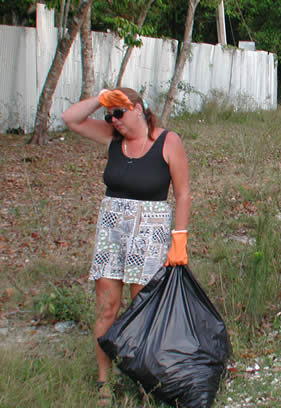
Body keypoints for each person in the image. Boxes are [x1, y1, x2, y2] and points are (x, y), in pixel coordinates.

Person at [61, 88, 191, 405]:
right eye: (109, 115)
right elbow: (70, 119)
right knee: (106, 307)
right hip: (112, 233)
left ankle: (146, 381)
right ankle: (103, 383)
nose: (113, 121)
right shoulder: (112, 138)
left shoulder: (166, 141)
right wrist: (103, 98)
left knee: (143, 309)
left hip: (150, 233)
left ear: (136, 109)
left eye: (118, 113)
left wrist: (179, 241)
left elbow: (183, 194)